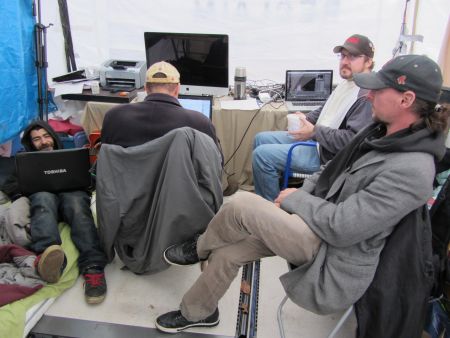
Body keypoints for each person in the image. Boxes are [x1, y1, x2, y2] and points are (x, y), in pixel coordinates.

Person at [154, 54, 448, 333]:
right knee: (227, 252)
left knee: (241, 203)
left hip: (333, 253)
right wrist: (300, 198)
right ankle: (199, 312)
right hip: (311, 225)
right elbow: (331, 168)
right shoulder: (379, 132)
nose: (369, 95)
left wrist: (296, 200)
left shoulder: (413, 169)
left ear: (406, 99)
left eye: (378, 90)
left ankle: (198, 247)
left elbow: (343, 228)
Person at [253, 34, 375, 201]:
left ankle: (271, 209)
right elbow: (327, 108)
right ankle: (273, 189)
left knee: (261, 155)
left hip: (328, 157)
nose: (345, 61)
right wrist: (305, 118)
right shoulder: (348, 83)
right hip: (318, 142)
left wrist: (314, 132)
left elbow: (351, 141)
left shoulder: (366, 96)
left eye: (352, 57)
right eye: (343, 56)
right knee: (260, 138)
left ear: (368, 61)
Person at [2, 121, 108, 304]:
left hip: (71, 196)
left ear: (52, 137)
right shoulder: (26, 161)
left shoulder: (70, 156)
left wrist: (87, 180)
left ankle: (93, 267)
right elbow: (10, 184)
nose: (43, 142)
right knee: (43, 198)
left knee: (75, 203)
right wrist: (26, 187)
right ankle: (49, 260)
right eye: (36, 139)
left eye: (46, 136)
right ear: (31, 144)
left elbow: (90, 180)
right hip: (44, 203)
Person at [101, 61, 222, 156]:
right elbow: (215, 164)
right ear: (177, 89)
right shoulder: (199, 122)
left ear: (146, 88)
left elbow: (108, 161)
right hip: (177, 187)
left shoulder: (113, 117)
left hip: (126, 187)